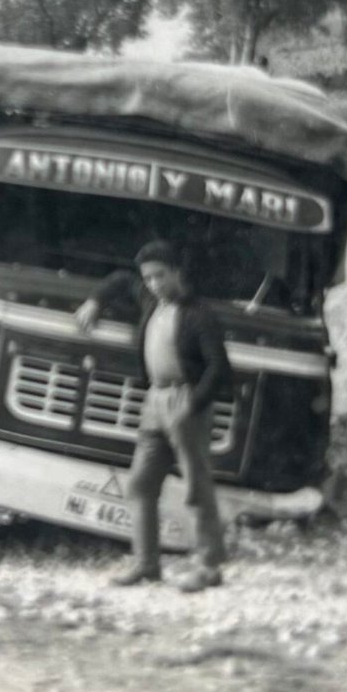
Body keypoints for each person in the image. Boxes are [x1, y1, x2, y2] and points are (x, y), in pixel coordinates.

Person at [76, 240, 233, 592]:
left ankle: (209, 567)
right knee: (141, 483)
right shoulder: (150, 302)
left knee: (195, 485)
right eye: (148, 278)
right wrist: (95, 301)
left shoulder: (199, 314)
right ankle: (146, 564)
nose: (153, 284)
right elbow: (120, 279)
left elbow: (220, 368)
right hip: (154, 400)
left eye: (160, 276)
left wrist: (193, 404)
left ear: (177, 272)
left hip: (184, 400)